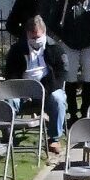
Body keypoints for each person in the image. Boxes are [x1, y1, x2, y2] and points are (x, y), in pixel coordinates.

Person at [4, 14, 68, 152]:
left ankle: (54, 139)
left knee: (58, 99)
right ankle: (9, 137)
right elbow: (10, 73)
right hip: (22, 91)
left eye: (38, 37)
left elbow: (61, 74)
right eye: (32, 37)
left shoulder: (55, 49)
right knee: (8, 100)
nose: (35, 40)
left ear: (44, 33)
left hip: (48, 90)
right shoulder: (17, 50)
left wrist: (45, 90)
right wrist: (21, 90)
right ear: (27, 34)